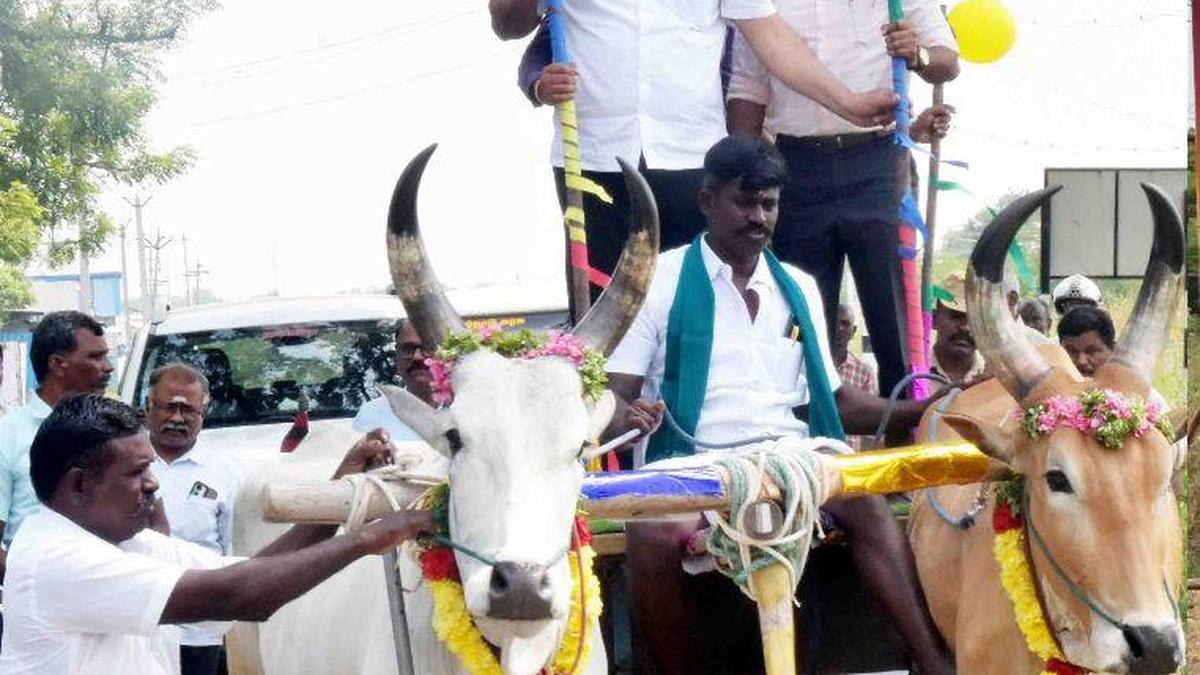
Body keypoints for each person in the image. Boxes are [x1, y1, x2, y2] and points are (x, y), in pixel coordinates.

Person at [604, 135, 952, 675]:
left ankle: (931, 662)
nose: (758, 217)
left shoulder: (801, 288)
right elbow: (615, 396)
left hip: (790, 455)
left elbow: (836, 403)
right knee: (651, 531)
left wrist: (928, 409)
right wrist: (631, 414)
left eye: (769, 204)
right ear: (707, 202)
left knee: (866, 502)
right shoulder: (658, 280)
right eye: (745, 202)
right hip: (692, 460)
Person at [490, 0, 897, 309]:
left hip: (692, 163)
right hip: (592, 158)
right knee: (600, 314)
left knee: (696, 310)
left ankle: (691, 421)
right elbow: (507, 24)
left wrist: (848, 103)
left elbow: (771, 38)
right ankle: (613, 420)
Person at [0, 394, 433, 675]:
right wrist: (370, 538)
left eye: (150, 467)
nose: (153, 483)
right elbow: (239, 596)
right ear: (78, 485)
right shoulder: (57, 558)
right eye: (137, 472)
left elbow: (253, 572)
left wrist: (342, 492)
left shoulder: (126, 542)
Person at [726, 1, 958, 411]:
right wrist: (744, 174)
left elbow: (947, 61)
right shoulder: (764, 5)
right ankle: (802, 434)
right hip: (796, 167)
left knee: (893, 318)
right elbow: (747, 90)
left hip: (880, 162)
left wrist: (917, 55)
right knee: (799, 319)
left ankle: (903, 438)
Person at [144, 363, 244, 675]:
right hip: (138, 623)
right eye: (168, 407)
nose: (177, 418)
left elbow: (234, 551)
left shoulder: (227, 473)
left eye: (188, 410)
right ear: (148, 407)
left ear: (203, 412)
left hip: (201, 630)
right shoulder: (125, 463)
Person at [0, 311, 114, 580]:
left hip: (115, 598)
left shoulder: (116, 430)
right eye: (95, 357)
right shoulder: (8, 436)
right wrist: (43, 586)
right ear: (58, 364)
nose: (108, 367)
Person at [352, 319, 431, 441]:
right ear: (396, 359)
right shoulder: (371, 414)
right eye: (407, 349)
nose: (417, 357)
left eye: (428, 348)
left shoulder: (465, 412)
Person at [833, 304, 878, 450]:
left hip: (850, 460)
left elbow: (869, 424)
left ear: (853, 331)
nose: (839, 329)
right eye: (834, 322)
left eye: (845, 324)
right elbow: (792, 334)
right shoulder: (811, 366)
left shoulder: (864, 372)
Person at [928, 275, 986, 386]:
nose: (966, 327)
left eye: (975, 320)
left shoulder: (995, 379)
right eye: (957, 316)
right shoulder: (912, 372)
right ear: (934, 319)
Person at [1056, 305, 1115, 378]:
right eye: (1072, 352)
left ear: (1113, 350)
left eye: (1091, 351)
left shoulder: (1130, 387)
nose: (1081, 361)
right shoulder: (1046, 387)